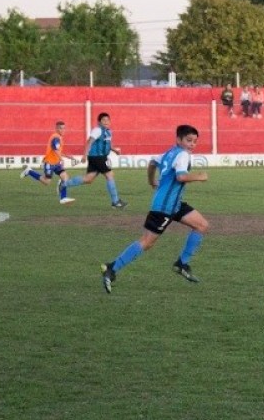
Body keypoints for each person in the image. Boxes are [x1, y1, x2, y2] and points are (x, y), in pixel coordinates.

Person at [100, 124, 210, 294]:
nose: (192, 144)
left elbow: (152, 163)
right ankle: (112, 267)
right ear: (178, 139)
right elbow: (181, 177)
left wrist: (151, 181)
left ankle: (182, 264)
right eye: (188, 140)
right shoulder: (182, 155)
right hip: (165, 207)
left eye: (195, 141)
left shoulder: (169, 153)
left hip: (175, 204)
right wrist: (199, 176)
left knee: (201, 225)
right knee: (147, 242)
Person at [63, 112, 127, 209]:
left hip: (99, 157)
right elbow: (89, 142)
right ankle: (115, 201)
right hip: (97, 157)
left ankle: (64, 184)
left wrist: (115, 150)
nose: (106, 122)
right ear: (99, 122)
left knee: (88, 179)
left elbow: (108, 145)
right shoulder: (97, 130)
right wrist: (84, 155)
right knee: (109, 175)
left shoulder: (108, 132)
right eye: (103, 120)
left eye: (107, 120)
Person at [20, 120, 77, 205]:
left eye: (64, 128)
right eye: (61, 128)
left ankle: (63, 198)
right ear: (57, 129)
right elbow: (55, 149)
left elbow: (57, 151)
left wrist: (67, 156)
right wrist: (62, 159)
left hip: (56, 163)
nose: (63, 130)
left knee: (65, 177)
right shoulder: (56, 137)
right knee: (47, 182)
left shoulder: (59, 137)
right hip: (49, 163)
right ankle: (29, 171)